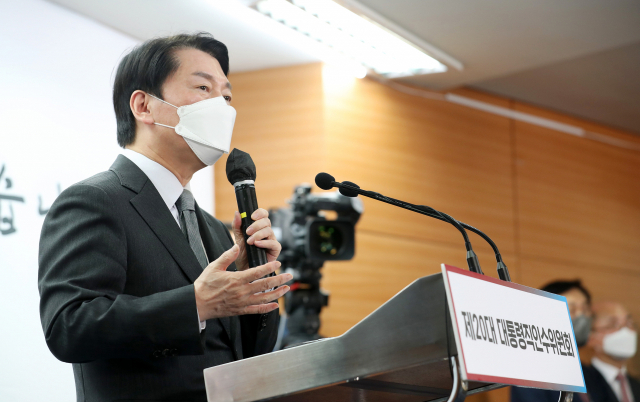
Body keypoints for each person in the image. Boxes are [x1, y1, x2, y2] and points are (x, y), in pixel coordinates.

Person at [38, 33, 292, 402]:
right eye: (203, 87)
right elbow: (69, 326)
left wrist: (255, 281)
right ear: (144, 106)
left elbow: (246, 353)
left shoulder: (214, 229)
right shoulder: (94, 200)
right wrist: (196, 304)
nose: (222, 107)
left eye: (226, 96)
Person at [511, 279, 594, 402]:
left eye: (585, 309)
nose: (581, 316)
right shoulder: (531, 374)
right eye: (572, 309)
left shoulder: (590, 373)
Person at [586, 301, 639, 402]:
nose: (625, 331)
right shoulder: (582, 384)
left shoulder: (636, 385)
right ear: (590, 336)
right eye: (613, 325)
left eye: (629, 323)